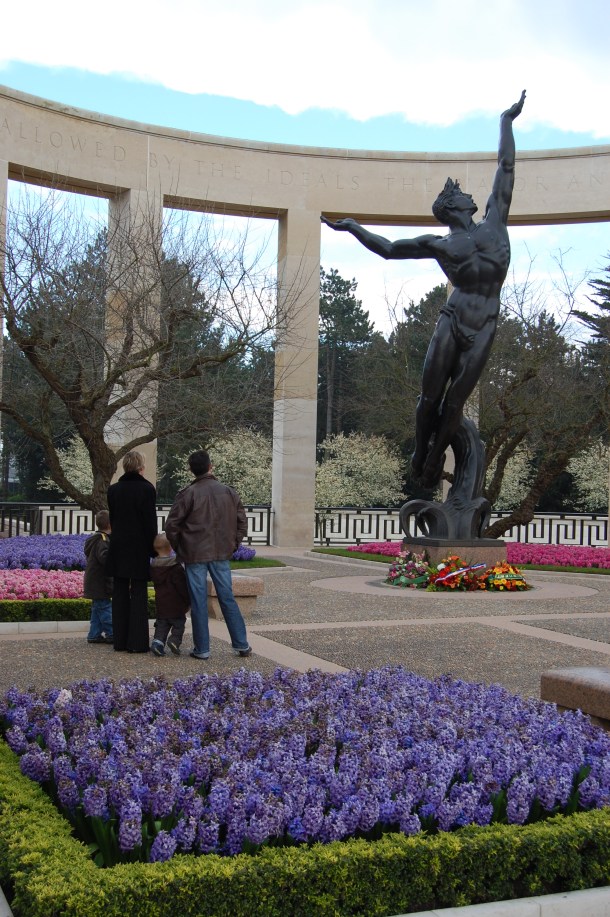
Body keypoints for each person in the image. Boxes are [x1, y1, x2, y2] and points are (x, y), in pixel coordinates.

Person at [322, 91, 526, 489]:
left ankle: (434, 459)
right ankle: (420, 451)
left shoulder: (495, 221)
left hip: (484, 323)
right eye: (462, 194)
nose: (470, 194)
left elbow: (506, 166)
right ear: (454, 206)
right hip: (454, 318)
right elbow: (389, 249)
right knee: (429, 397)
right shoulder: (440, 243)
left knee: (455, 401)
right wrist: (354, 228)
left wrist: (506, 121)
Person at [164, 450, 252, 660]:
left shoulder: (188, 493)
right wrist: (233, 544)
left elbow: (172, 526)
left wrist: (181, 548)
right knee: (227, 597)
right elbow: (242, 522)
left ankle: (202, 648)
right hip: (221, 552)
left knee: (198, 600)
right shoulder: (229, 492)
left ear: (190, 469)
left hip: (194, 553)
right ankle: (241, 644)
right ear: (210, 466)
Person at [106, 450, 158, 653]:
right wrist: (153, 549)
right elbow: (149, 522)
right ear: (140, 467)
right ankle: (137, 642)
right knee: (138, 593)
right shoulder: (147, 489)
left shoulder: (113, 490)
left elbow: (113, 518)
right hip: (138, 546)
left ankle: (120, 640)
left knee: (119, 593)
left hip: (118, 544)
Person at [150, 533, 191, 657]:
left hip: (161, 603)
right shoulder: (175, 568)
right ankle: (174, 640)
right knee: (179, 624)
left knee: (161, 625)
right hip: (176, 603)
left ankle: (157, 643)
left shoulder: (154, 567)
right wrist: (188, 600)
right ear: (170, 548)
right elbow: (182, 587)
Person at [83, 509, 114, 645]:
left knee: (97, 609)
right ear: (110, 525)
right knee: (105, 608)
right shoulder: (103, 540)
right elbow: (105, 558)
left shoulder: (95, 538)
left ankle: (94, 634)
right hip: (100, 582)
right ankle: (112, 633)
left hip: (94, 581)